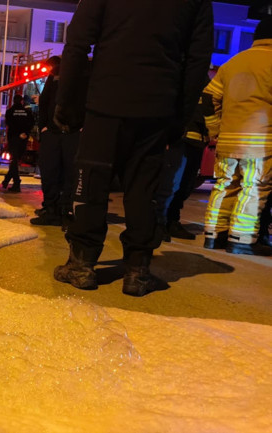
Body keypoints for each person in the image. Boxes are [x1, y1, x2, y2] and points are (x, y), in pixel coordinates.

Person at [52, 0, 213, 296]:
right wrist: (181, 116)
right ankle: (138, 270)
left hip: (106, 99)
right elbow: (198, 59)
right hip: (156, 106)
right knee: (144, 187)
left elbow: (77, 43)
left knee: (91, 182)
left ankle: (81, 263)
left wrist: (67, 101)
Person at [202, 16, 272, 256]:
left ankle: (214, 236)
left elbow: (208, 100)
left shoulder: (233, 63)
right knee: (253, 188)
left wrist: (216, 129)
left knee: (224, 186)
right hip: (263, 143)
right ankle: (240, 240)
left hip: (228, 141)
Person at [30, 56, 85, 230]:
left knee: (70, 174)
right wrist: (44, 127)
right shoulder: (55, 76)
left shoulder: (84, 75)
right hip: (54, 132)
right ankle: (52, 210)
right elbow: (45, 101)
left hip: (72, 132)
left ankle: (65, 211)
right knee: (50, 172)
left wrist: (84, 126)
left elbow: (89, 101)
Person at [156, 86, 211, 242]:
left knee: (186, 186)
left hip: (198, 141)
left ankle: (172, 221)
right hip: (182, 139)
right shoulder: (185, 76)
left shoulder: (206, 81)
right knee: (171, 185)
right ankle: (159, 223)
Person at [0, 94, 34, 193]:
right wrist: (25, 133)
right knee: (15, 161)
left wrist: (16, 134)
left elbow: (9, 124)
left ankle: (16, 183)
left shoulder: (10, 112)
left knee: (13, 161)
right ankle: (7, 181)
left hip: (14, 139)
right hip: (23, 139)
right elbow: (31, 123)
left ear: (14, 101)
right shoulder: (27, 112)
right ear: (22, 101)